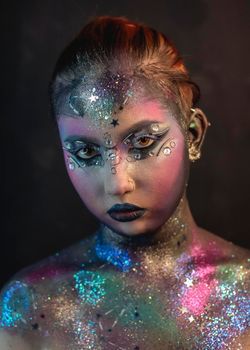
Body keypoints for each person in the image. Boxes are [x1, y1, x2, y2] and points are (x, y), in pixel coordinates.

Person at [0, 16, 249, 350]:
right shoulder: (29, 305)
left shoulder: (243, 293)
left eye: (144, 143)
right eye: (87, 152)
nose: (118, 184)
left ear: (193, 134)